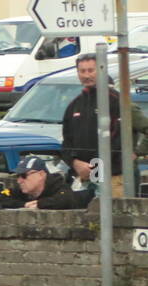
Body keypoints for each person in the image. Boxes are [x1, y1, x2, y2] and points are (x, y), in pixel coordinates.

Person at [62, 53, 125, 201]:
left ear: (101, 70)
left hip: (113, 178)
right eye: (82, 71)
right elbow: (66, 142)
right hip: (83, 178)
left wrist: (95, 168)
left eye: (91, 70)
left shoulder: (116, 101)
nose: (86, 75)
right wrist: (75, 163)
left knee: (114, 221)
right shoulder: (74, 105)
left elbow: (119, 140)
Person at [0, 156, 78, 210]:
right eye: (17, 176)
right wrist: (24, 205)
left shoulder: (60, 188)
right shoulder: (19, 191)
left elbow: (66, 199)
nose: (19, 180)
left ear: (41, 174)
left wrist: (40, 204)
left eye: (23, 175)